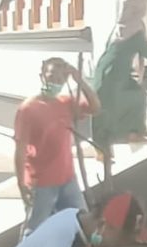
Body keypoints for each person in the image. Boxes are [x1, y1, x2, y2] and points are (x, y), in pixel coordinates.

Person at [13, 57, 94, 230]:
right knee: (34, 229)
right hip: (40, 182)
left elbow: (95, 107)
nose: (55, 82)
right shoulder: (29, 108)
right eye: (51, 76)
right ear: (42, 76)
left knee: (80, 223)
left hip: (67, 179)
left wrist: (80, 80)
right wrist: (21, 182)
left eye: (60, 79)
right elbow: (20, 149)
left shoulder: (65, 102)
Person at [89, 0, 147, 149]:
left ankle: (112, 137)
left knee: (110, 103)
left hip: (105, 69)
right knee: (134, 97)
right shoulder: (136, 25)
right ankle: (131, 133)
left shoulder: (119, 25)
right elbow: (144, 49)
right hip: (116, 71)